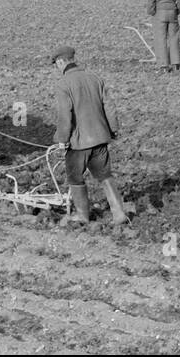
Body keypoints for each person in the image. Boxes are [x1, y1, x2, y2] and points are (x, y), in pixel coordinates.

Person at [50, 44, 128, 226]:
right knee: (105, 175)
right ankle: (119, 214)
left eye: (57, 64)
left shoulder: (63, 85)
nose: (57, 68)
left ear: (61, 62)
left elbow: (65, 115)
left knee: (75, 177)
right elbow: (109, 106)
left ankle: (82, 215)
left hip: (79, 143)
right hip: (100, 138)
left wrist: (62, 139)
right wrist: (113, 129)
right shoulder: (95, 78)